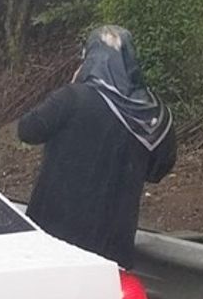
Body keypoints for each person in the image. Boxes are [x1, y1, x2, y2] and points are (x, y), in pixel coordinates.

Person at [17, 25, 177, 269]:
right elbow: (158, 170)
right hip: (112, 249)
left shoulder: (72, 98)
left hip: (54, 242)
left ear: (89, 58)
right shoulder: (154, 114)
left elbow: (27, 131)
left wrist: (73, 86)